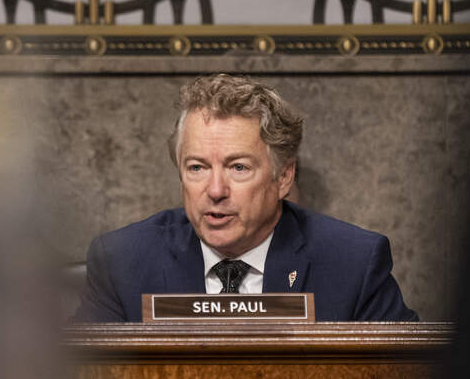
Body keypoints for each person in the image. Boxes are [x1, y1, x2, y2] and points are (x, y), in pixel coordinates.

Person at [72, 74, 418, 322]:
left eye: (238, 167)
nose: (215, 190)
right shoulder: (122, 262)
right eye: (197, 167)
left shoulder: (353, 264)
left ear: (284, 177)